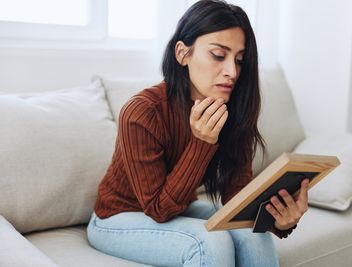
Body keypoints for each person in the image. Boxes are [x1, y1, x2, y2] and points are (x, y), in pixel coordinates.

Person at [87, 0, 309, 266]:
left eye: (239, 60)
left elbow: (236, 198)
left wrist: (279, 220)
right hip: (116, 218)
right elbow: (159, 210)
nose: (232, 72)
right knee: (208, 241)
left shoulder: (230, 109)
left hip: (178, 207)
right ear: (182, 54)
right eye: (218, 55)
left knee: (252, 233)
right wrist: (202, 142)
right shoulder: (142, 112)